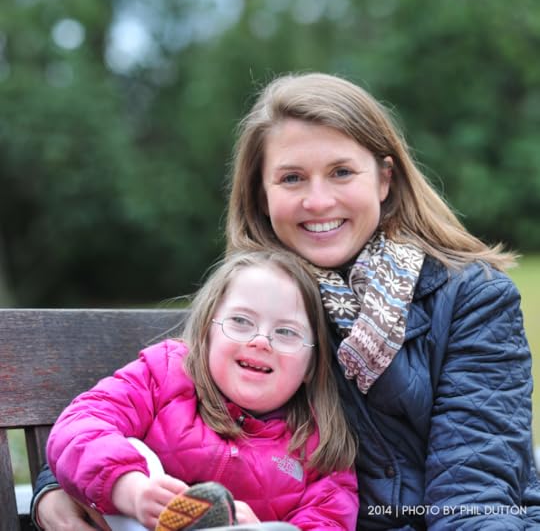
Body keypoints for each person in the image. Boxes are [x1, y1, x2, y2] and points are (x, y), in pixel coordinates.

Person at [33, 71, 540, 530]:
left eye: (342, 172)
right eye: (292, 178)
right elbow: (167, 410)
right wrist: (52, 489)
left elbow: (476, 495)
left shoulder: (473, 298)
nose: (318, 201)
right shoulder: (260, 304)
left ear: (385, 178)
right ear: (261, 194)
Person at [44, 249, 358, 531]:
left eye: (286, 331)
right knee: (134, 451)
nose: (261, 340)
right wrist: (132, 490)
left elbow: (330, 520)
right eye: (241, 321)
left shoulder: (319, 446)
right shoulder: (164, 375)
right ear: (207, 331)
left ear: (312, 365)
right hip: (142, 520)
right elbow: (81, 425)